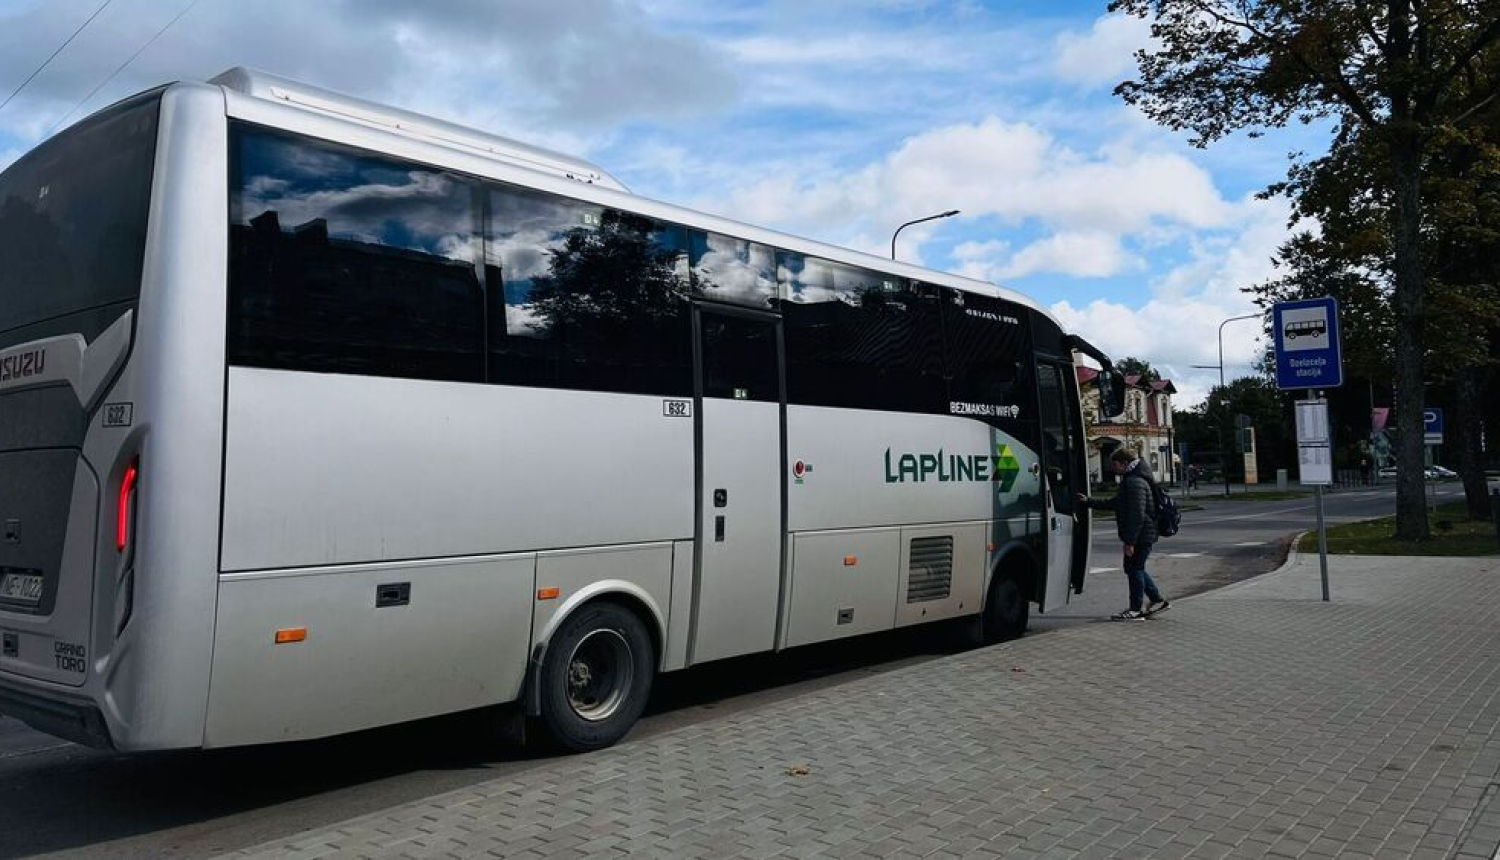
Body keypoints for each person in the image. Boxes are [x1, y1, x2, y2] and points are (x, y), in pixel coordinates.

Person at [1076, 448, 1171, 622]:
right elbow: (1117, 503)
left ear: (1125, 463)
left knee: (1134, 569)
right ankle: (1157, 600)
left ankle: (1135, 610)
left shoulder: (1134, 482)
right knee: (1136, 568)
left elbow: (1137, 514)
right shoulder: (1133, 479)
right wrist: (1089, 502)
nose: (1113, 469)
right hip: (1143, 534)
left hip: (1141, 535)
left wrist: (1130, 541)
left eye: (1115, 465)